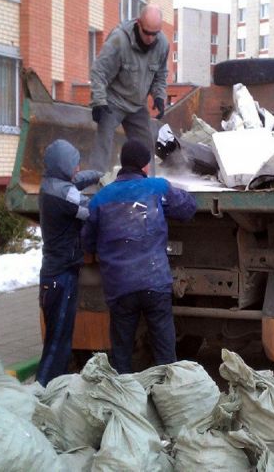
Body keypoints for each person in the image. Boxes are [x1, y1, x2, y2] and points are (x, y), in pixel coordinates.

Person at [82, 139, 196, 374]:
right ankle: (169, 394)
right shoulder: (157, 188)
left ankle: (124, 396)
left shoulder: (101, 198)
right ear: (145, 166)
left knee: (121, 351)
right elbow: (187, 209)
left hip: (120, 287)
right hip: (154, 282)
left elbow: (87, 242)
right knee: (165, 351)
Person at [36, 139, 102, 386]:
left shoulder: (53, 184)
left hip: (58, 272)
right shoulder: (63, 195)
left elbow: (76, 180)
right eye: (74, 164)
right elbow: (92, 210)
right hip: (60, 277)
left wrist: (98, 175)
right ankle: (41, 391)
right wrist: (116, 192)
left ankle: (55, 389)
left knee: (61, 338)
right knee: (58, 342)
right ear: (63, 166)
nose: (77, 169)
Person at [89, 4, 170, 172]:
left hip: (137, 105)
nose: (150, 38)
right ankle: (92, 188)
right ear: (138, 23)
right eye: (146, 32)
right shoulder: (119, 40)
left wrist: (159, 96)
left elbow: (160, 74)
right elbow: (99, 71)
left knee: (146, 148)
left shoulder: (162, 44)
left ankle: (148, 188)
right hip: (113, 101)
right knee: (103, 145)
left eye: (154, 34)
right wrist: (99, 101)